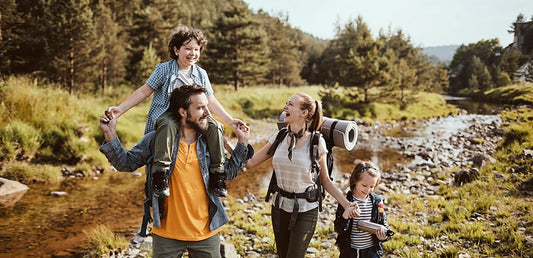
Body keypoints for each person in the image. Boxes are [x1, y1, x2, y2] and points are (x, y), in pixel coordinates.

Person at [99, 84, 253, 257]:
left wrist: (243, 143)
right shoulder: (157, 140)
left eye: (206, 106)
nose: (207, 113)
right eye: (200, 107)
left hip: (206, 234)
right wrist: (110, 133)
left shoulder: (210, 142)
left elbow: (229, 173)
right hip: (166, 235)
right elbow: (125, 163)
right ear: (183, 112)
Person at [105, 26, 245, 198]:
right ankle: (160, 174)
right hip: (168, 114)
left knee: (214, 126)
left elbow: (211, 100)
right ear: (176, 49)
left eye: (196, 49)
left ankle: (217, 175)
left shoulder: (201, 74)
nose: (192, 53)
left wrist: (229, 121)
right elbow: (144, 91)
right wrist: (120, 109)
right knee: (168, 124)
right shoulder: (164, 70)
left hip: (194, 118)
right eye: (188, 48)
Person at [245, 92, 359, 258]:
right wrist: (227, 143)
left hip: (306, 210)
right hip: (279, 207)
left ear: (304, 113)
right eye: (286, 104)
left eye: (290, 104)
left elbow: (325, 180)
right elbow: (250, 162)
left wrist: (347, 204)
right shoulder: (279, 136)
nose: (285, 107)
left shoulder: (316, 142)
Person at [334, 160, 392, 258]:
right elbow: (338, 228)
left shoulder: (377, 203)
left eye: (372, 187)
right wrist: (345, 216)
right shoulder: (345, 200)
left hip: (371, 251)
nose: (368, 190)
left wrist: (384, 236)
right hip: (350, 251)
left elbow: (383, 224)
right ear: (355, 181)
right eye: (364, 185)